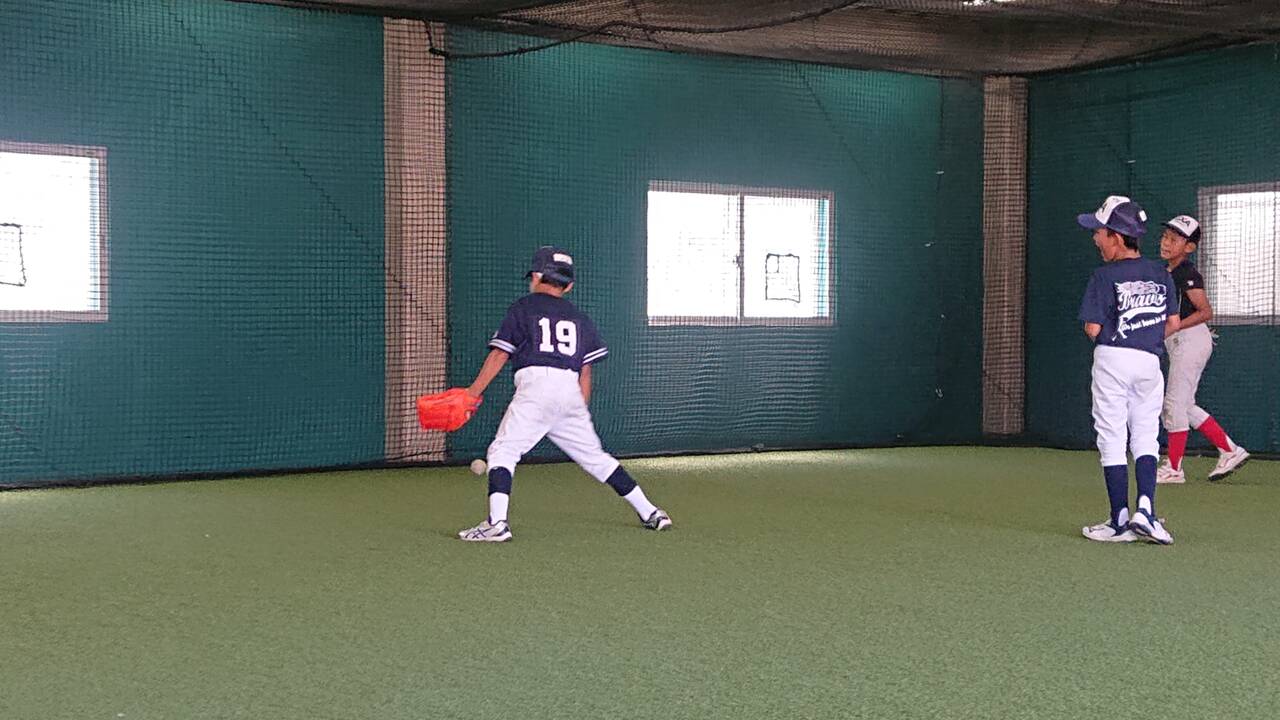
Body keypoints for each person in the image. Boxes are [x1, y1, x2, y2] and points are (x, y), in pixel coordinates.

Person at [456, 246, 672, 542]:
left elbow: (499, 355)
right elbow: (585, 371)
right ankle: (651, 512)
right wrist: (577, 411)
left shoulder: (523, 307)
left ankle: (497, 523)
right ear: (568, 286)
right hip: (570, 391)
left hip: (536, 386)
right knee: (596, 458)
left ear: (536, 276)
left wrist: (472, 393)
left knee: (503, 451)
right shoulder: (579, 317)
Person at [1076, 196, 1178, 544]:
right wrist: (1144, 337)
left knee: (1112, 436)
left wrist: (1117, 338)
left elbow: (1092, 327)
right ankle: (1146, 511)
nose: (1095, 238)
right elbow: (1172, 322)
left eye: (1099, 232)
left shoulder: (1103, 275)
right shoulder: (1161, 273)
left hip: (1113, 358)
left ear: (1117, 237)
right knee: (1146, 434)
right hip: (1150, 360)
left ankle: (1119, 520)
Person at [1156, 215, 1249, 483]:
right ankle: (1230, 450)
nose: (1166, 243)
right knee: (1184, 405)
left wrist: (1174, 327)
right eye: (1165, 237)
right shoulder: (1168, 272)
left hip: (1191, 340)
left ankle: (1174, 469)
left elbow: (1206, 311)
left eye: (1174, 240)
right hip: (1181, 341)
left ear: (1189, 247)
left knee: (1174, 404)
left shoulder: (1188, 273)